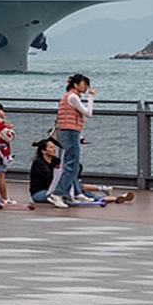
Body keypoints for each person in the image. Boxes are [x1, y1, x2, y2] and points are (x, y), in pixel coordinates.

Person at [28, 137, 133, 204]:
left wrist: (72, 177)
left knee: (81, 191)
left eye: (54, 147)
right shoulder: (39, 163)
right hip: (41, 192)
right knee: (72, 192)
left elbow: (71, 168)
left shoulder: (56, 160)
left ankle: (115, 198)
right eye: (51, 148)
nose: (54, 149)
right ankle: (102, 191)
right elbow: (50, 178)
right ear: (43, 151)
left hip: (54, 188)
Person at [47, 73, 95, 208]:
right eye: (84, 84)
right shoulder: (73, 97)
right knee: (72, 164)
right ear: (75, 85)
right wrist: (91, 97)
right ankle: (58, 194)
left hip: (67, 132)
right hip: (70, 132)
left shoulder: (68, 97)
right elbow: (88, 113)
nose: (86, 87)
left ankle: (76, 193)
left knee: (71, 163)